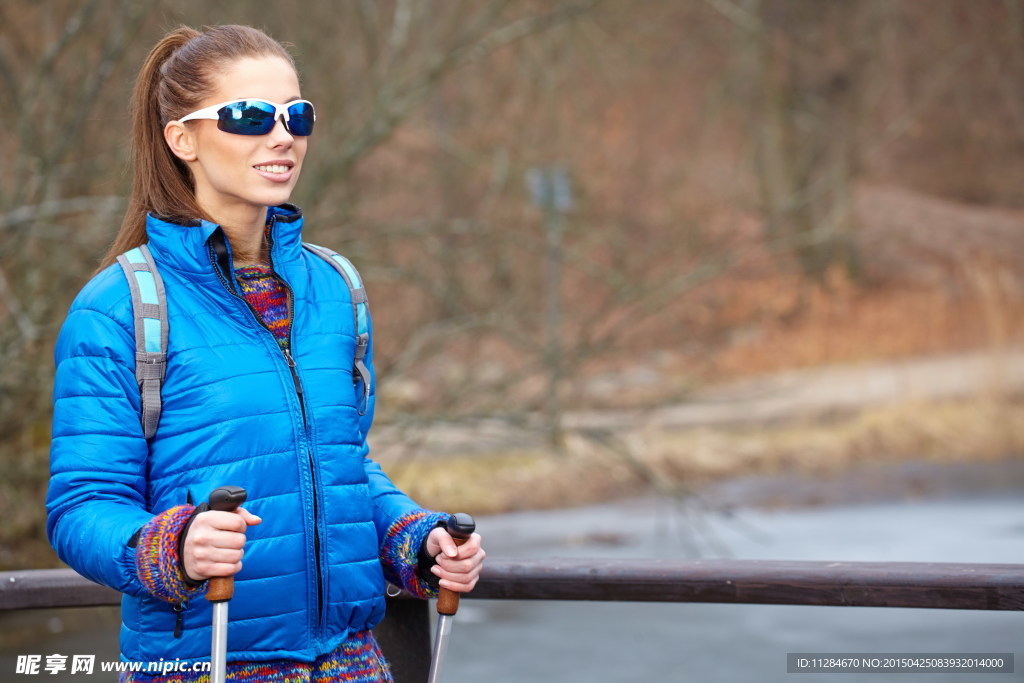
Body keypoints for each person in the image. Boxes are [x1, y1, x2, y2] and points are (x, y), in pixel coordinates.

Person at [45, 24, 485, 682]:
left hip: (353, 662)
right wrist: (175, 544)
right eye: (249, 116)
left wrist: (415, 539)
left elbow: (338, 465)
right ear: (182, 138)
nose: (282, 136)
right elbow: (81, 506)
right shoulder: (120, 308)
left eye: (296, 116)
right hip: (205, 664)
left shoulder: (336, 289)